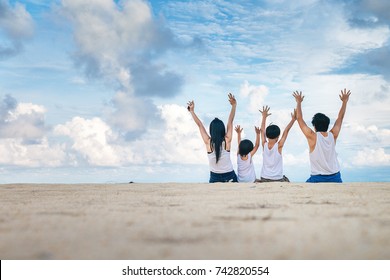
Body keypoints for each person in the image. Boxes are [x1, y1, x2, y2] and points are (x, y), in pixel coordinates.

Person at [293, 89, 351, 183]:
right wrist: (344, 102)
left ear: (314, 126)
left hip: (317, 178)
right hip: (335, 177)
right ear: (327, 125)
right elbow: (340, 117)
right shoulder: (333, 134)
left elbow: (299, 119)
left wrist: (298, 102)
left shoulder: (312, 136)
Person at [187, 93, 238, 183]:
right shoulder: (227, 140)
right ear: (222, 129)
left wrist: (192, 111)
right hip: (229, 175)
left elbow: (199, 125)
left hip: (215, 177)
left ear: (211, 130)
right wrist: (234, 105)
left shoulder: (208, 142)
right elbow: (230, 121)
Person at [257, 105, 296, 182]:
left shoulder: (264, 144)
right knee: (286, 180)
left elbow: (262, 131)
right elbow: (286, 131)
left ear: (267, 136)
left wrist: (264, 117)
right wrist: (293, 120)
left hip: (264, 178)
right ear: (278, 137)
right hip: (277, 179)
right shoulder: (279, 145)